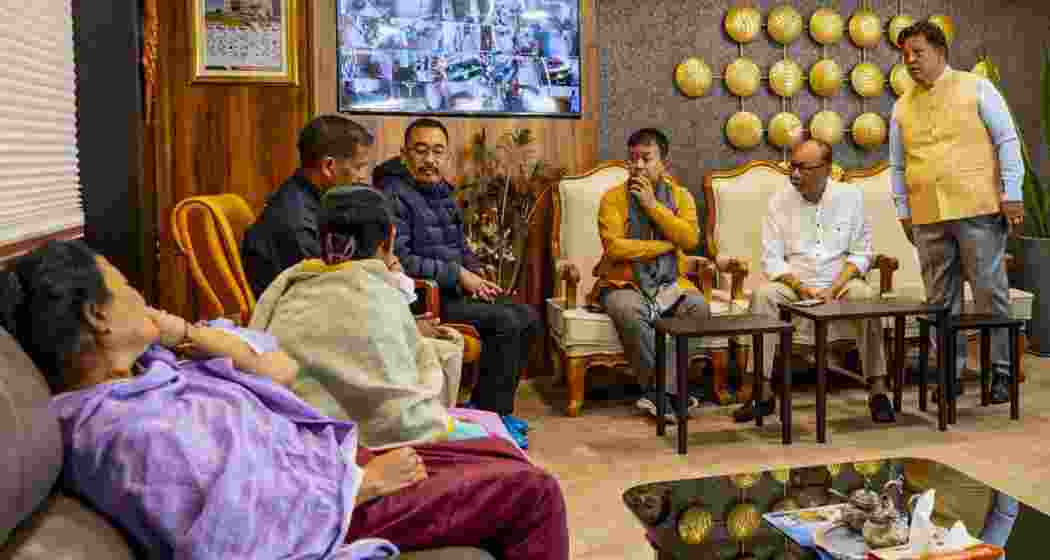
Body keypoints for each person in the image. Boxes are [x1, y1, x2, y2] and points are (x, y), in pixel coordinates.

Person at [0, 240, 568, 559]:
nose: (140, 295)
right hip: (332, 510)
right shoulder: (127, 434)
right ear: (98, 315)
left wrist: (180, 332)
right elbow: (235, 539)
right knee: (535, 493)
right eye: (126, 287)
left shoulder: (151, 368)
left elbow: (276, 365)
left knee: (498, 449)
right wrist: (362, 486)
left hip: (329, 469)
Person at [250, 186, 478, 449]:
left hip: (285, 425)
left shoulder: (292, 281)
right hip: (346, 442)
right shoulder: (380, 294)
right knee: (483, 433)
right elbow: (400, 413)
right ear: (388, 241)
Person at [374, 117, 539, 443]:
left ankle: (492, 410)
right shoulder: (393, 195)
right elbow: (401, 260)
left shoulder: (443, 192)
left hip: (455, 290)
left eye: (437, 151)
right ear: (405, 154)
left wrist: (476, 274)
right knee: (505, 322)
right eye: (421, 151)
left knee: (528, 317)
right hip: (426, 299)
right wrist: (459, 275)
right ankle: (490, 418)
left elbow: (460, 247)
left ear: (445, 155)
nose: (429, 160)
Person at [892, 21, 1024, 405]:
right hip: (927, 214)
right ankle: (949, 374)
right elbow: (898, 166)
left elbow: (1006, 139)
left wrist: (1012, 193)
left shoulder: (977, 87)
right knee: (939, 300)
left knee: (990, 293)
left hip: (978, 208)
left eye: (918, 52)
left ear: (939, 52)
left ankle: (1001, 372)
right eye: (906, 56)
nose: (911, 61)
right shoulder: (902, 105)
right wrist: (903, 209)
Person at [737, 139, 894, 424]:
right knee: (763, 296)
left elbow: (862, 253)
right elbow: (772, 259)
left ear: (826, 169)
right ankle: (762, 393)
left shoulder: (851, 197)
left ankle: (878, 390)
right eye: (792, 167)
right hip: (794, 283)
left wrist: (834, 288)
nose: (794, 174)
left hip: (841, 282)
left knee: (864, 296)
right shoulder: (778, 201)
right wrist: (801, 287)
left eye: (803, 168)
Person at [592, 128, 709, 420]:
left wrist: (652, 207)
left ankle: (660, 393)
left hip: (669, 283)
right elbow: (615, 248)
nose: (639, 166)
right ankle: (668, 393)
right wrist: (664, 245)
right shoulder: (612, 199)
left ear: (663, 162)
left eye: (646, 158)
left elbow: (691, 238)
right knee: (628, 309)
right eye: (633, 159)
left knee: (698, 307)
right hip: (624, 282)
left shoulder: (680, 197)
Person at [242, 114, 374, 298]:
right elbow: (323, 294)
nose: (363, 176)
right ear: (329, 166)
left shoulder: (316, 199)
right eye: (359, 167)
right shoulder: (296, 222)